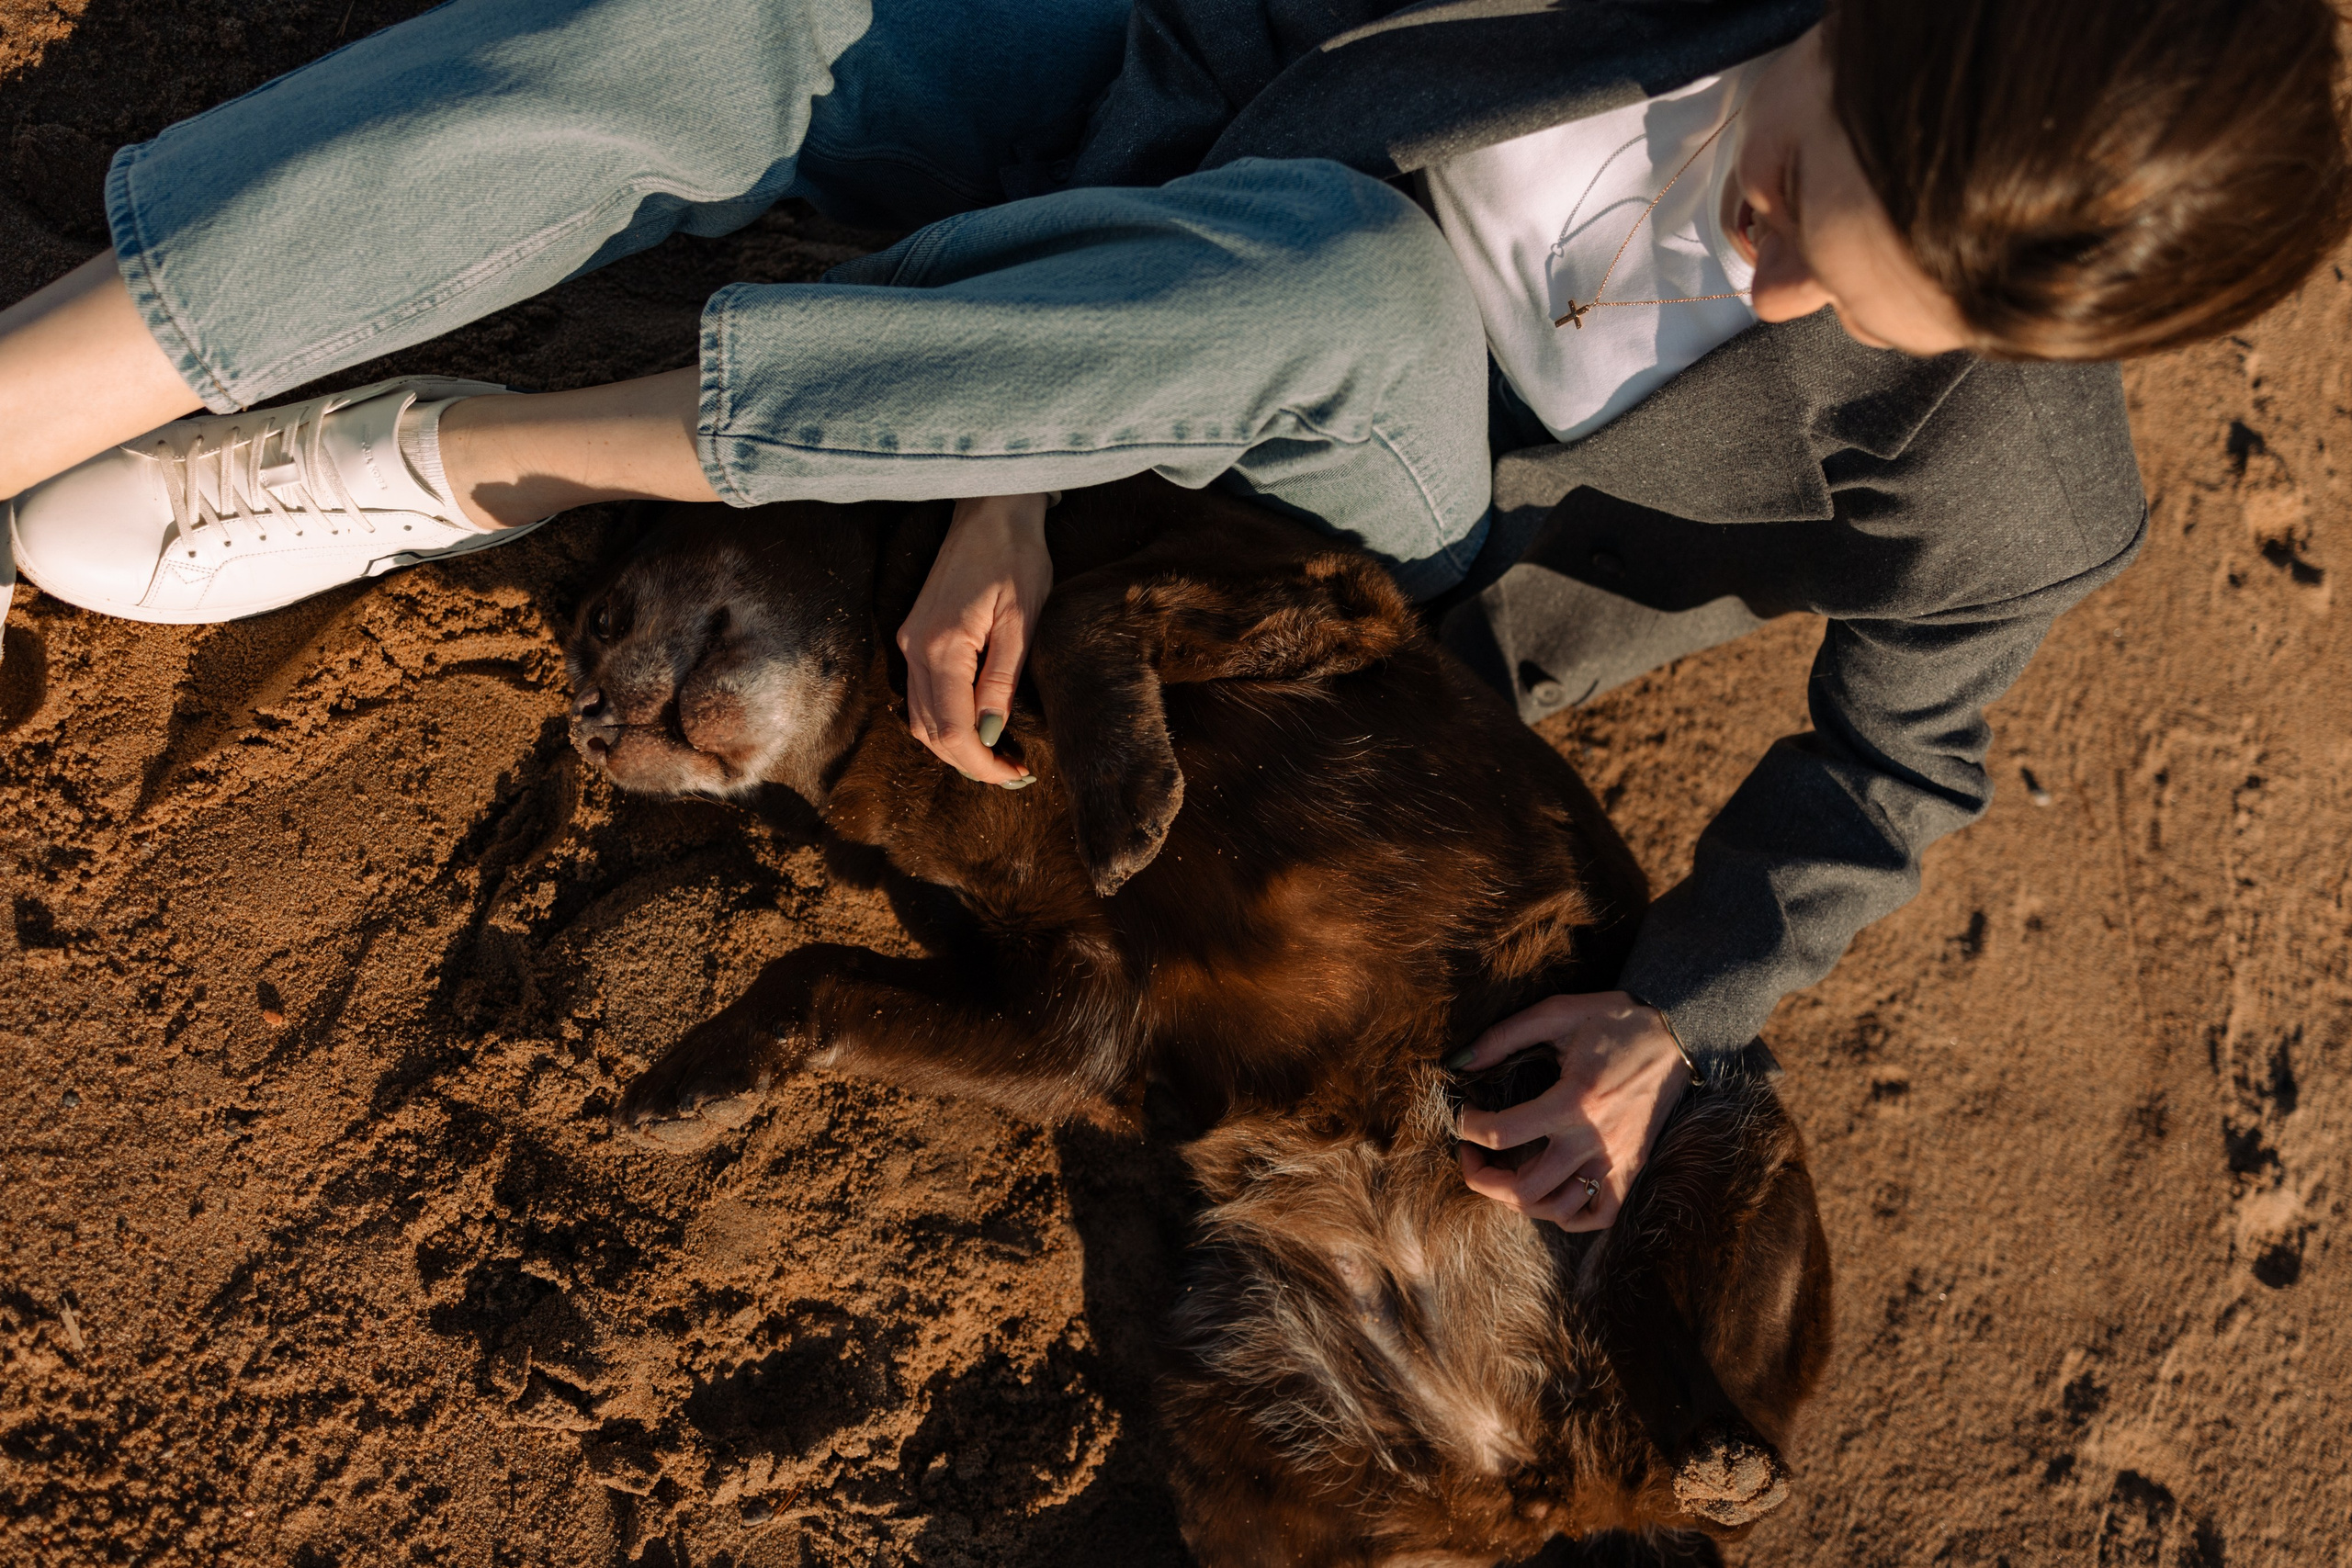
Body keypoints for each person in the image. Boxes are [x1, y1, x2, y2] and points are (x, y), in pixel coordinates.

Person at [0, 0, 2343, 1232]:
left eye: (1892, 315)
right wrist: (1012, 443)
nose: (1796, 288)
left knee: (1347, 298)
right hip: (1163, 159)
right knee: (735, 20)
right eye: (1792, 196)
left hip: (1307, 545)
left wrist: (1670, 1014)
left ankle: (471, 458)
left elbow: (1893, 766)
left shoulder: (2020, 500)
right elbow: (1241, 54)